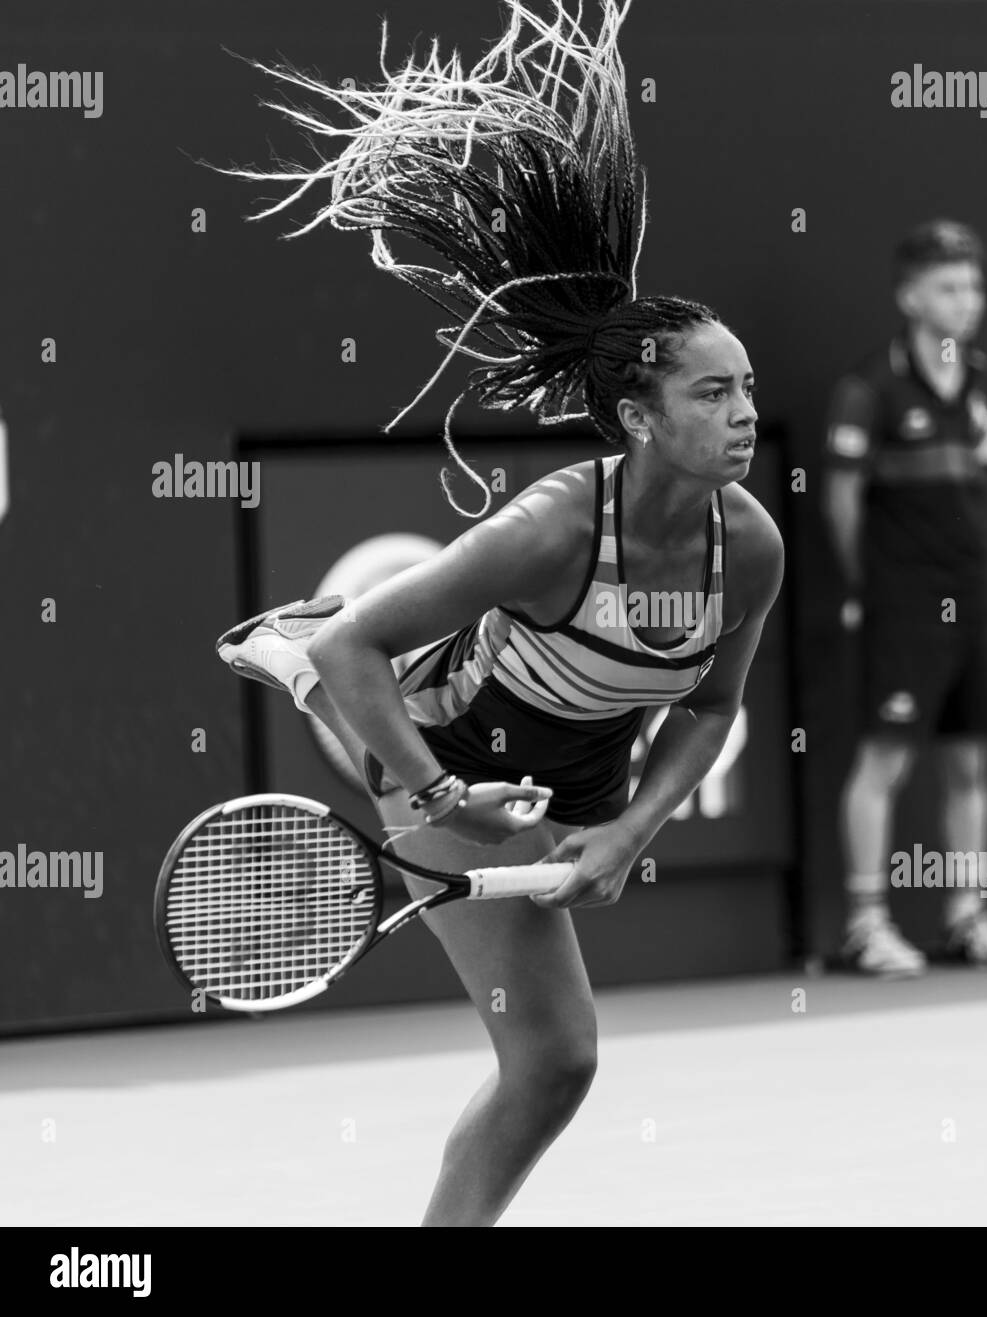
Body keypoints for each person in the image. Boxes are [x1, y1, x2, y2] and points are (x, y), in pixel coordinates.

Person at [213, 1, 783, 1225]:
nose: (742, 413)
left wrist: (630, 828)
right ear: (636, 418)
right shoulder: (551, 531)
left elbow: (716, 705)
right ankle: (304, 667)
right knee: (555, 1061)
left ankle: (316, 676)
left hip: (577, 779)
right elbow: (375, 637)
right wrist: (430, 798)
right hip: (455, 752)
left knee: (555, 1069)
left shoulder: (751, 545)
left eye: (748, 391)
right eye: (712, 393)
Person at [823, 219, 987, 977]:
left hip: (969, 593)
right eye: (949, 286)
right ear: (910, 296)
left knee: (967, 763)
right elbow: (842, 502)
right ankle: (866, 924)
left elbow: (976, 475)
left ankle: (966, 916)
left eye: (974, 285)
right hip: (900, 598)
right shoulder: (867, 390)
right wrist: (867, 583)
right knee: (884, 760)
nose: (967, 300)